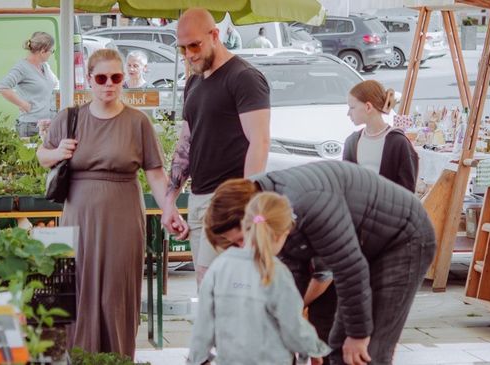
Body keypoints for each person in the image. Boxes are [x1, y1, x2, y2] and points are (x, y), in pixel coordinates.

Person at [205, 161, 436, 365]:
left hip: (403, 239)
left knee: (366, 352)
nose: (244, 249)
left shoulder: (307, 203)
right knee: (335, 348)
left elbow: (350, 270)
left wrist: (358, 335)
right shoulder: (271, 213)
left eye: (241, 240)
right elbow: (293, 278)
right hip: (363, 248)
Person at [36, 49, 175, 357]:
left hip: (123, 215)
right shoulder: (70, 118)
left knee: (117, 289)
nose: (109, 84)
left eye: (116, 77)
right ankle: (80, 356)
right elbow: (42, 156)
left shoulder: (138, 122)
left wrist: (169, 208)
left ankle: (118, 357)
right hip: (78, 214)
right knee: (79, 287)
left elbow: (155, 173)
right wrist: (59, 152)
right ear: (89, 80)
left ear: (124, 79)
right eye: (101, 78)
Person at [163, 8, 271, 286]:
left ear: (215, 35)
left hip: (227, 199)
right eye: (183, 48)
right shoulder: (194, 82)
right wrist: (169, 200)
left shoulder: (243, 77)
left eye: (195, 45)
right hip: (199, 199)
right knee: (207, 286)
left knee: (218, 285)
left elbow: (259, 142)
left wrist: (245, 205)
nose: (189, 54)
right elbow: (187, 143)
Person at [187, 192, 331, 365]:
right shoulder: (277, 272)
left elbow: (203, 322)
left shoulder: (219, 266)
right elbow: (293, 325)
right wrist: (314, 348)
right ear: (280, 235)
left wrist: (197, 358)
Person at [343, 80, 418, 192]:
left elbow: (407, 190)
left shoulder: (398, 143)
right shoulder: (352, 142)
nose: (348, 113)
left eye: (352, 107)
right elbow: (346, 184)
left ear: (368, 107)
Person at [0, 31, 59, 138]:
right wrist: (23, 104)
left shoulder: (45, 66)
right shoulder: (22, 68)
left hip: (46, 126)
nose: (51, 53)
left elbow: (56, 84)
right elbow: (3, 87)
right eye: (51, 50)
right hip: (30, 126)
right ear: (42, 51)